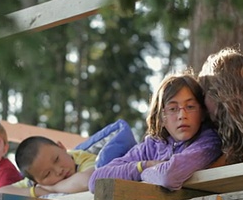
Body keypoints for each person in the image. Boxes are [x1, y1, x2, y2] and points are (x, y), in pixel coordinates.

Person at [88, 70, 222, 192]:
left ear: (203, 112)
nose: (182, 115)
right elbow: (96, 181)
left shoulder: (209, 141)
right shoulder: (151, 146)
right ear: (161, 118)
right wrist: (144, 166)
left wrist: (141, 175)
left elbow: (168, 176)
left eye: (190, 106)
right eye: (173, 109)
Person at [0, 136, 96, 197]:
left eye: (57, 159)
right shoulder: (35, 180)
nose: (58, 170)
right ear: (36, 182)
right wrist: (35, 192)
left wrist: (51, 188)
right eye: (47, 174)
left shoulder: (83, 158)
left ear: (61, 147)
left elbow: (86, 182)